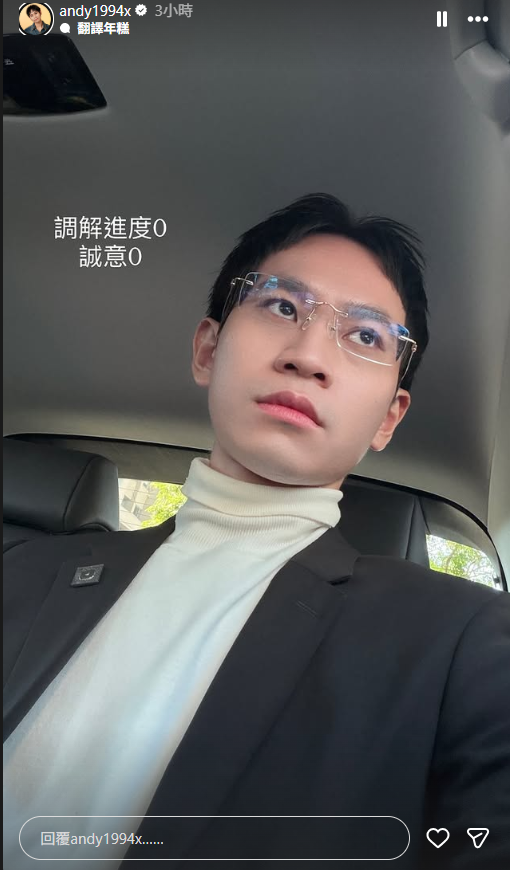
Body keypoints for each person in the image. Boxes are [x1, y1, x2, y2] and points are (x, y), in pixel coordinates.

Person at [3, 193, 510, 869]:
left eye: (366, 336)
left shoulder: (462, 641)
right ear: (208, 349)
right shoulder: (21, 573)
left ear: (389, 418)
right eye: (281, 306)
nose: (308, 355)